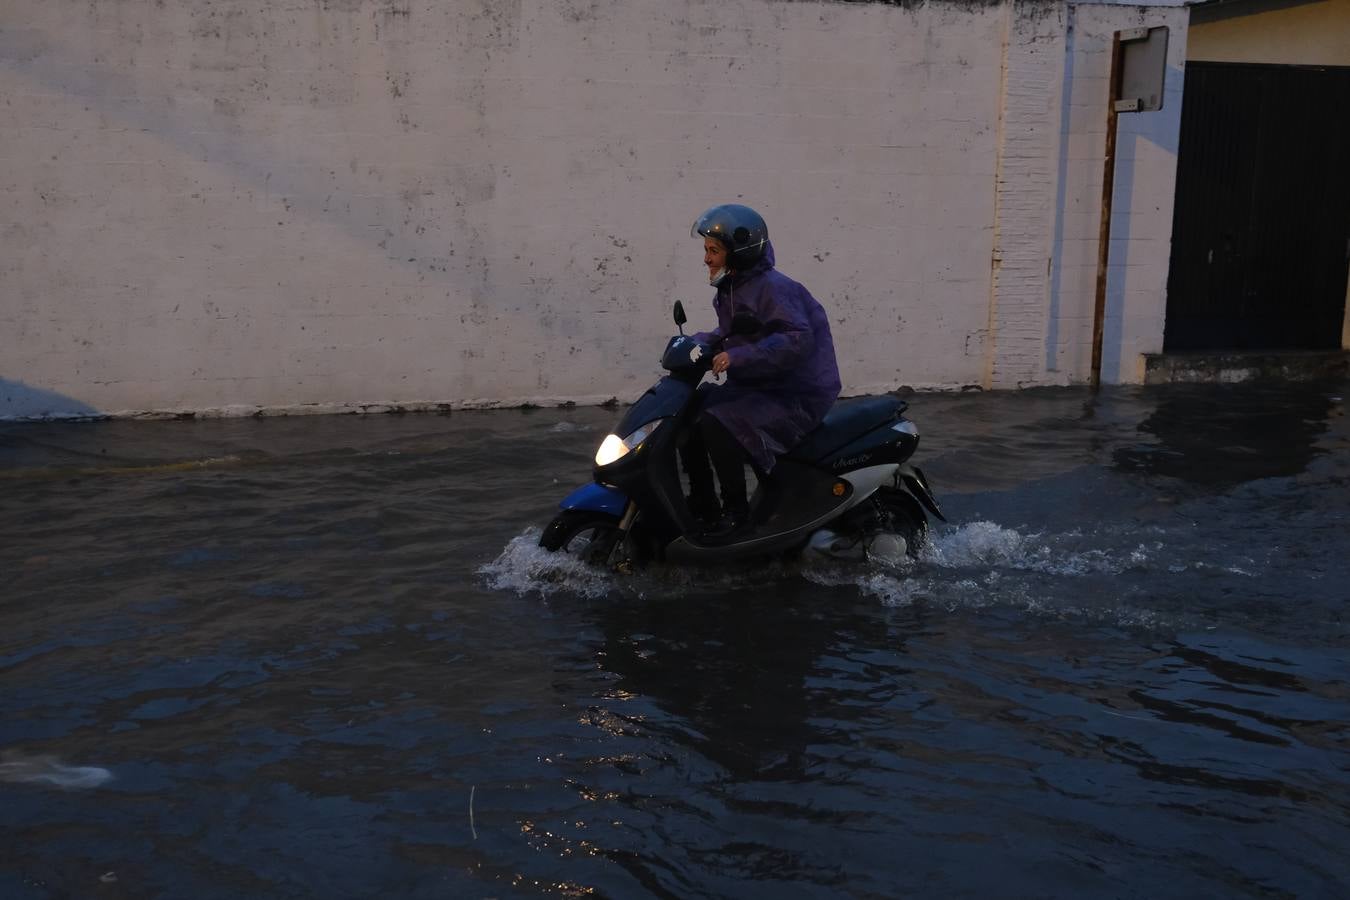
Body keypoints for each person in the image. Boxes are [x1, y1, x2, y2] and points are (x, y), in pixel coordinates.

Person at [681, 204, 841, 540]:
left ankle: (738, 516)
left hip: (794, 393)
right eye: (706, 250)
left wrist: (737, 357)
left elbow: (796, 340)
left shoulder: (773, 288)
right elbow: (732, 332)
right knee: (689, 413)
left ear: (737, 254)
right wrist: (693, 343)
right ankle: (703, 503)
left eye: (714, 251)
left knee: (717, 422)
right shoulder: (734, 289)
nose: (707, 260)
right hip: (761, 385)